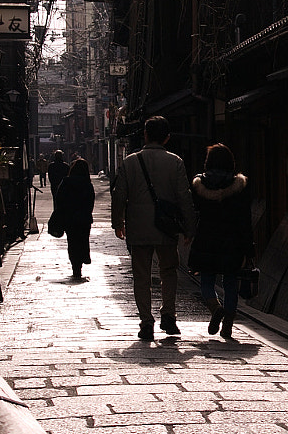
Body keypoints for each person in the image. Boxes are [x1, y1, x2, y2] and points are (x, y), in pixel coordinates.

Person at [110, 117, 196, 340]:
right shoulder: (175, 162)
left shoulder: (130, 162)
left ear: (145, 135)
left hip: (138, 226)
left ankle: (146, 322)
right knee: (169, 271)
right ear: (167, 137)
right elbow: (184, 197)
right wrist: (189, 227)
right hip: (166, 227)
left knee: (141, 276)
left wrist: (118, 222)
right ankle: (168, 315)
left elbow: (119, 195)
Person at [186, 143, 254, 339]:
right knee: (230, 281)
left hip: (207, 238)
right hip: (233, 240)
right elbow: (245, 219)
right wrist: (249, 248)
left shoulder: (200, 185)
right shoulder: (239, 186)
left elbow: (193, 212)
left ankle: (215, 307)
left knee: (206, 279)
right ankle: (228, 326)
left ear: (208, 162)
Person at [55, 157, 96, 280]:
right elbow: (91, 201)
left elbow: (59, 199)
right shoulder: (87, 183)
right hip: (84, 218)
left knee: (72, 242)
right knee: (83, 240)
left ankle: (75, 266)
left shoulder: (66, 182)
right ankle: (83, 259)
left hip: (70, 218)